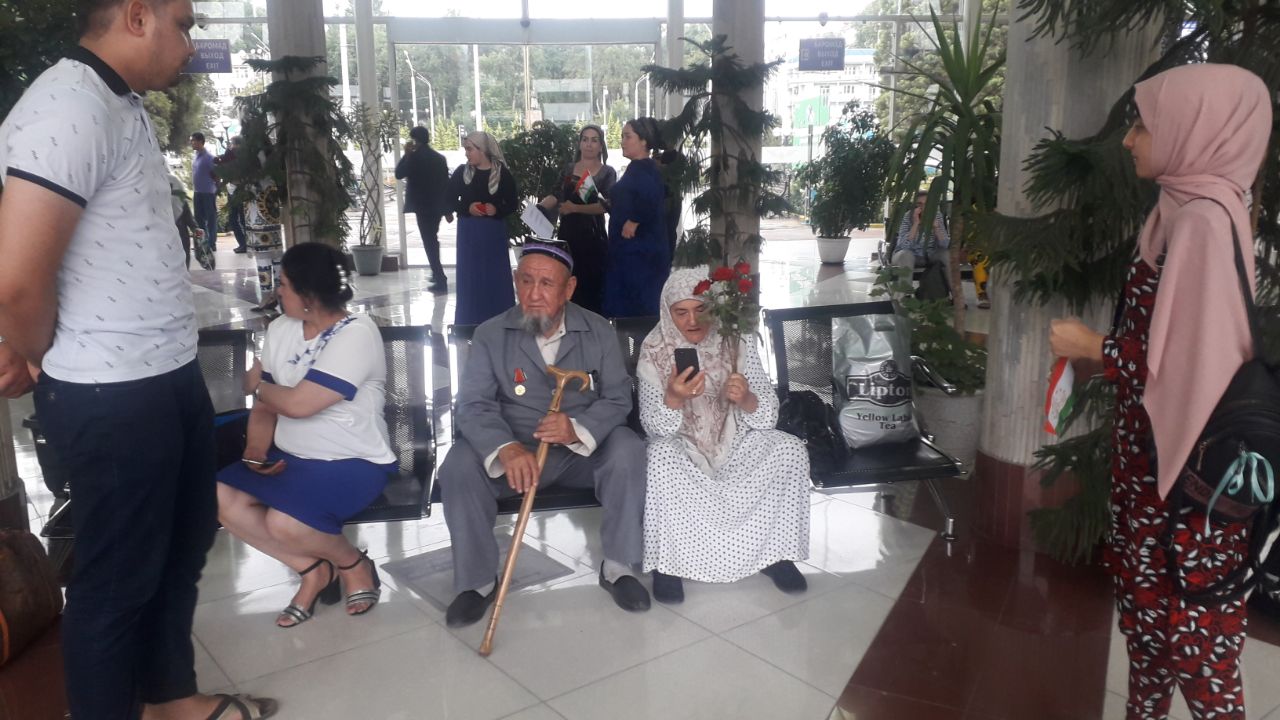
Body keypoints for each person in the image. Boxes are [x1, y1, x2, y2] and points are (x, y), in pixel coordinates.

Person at [0, 1, 277, 718]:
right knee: (117, 580)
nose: (189, 42)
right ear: (135, 15)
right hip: (110, 391)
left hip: (164, 372)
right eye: (183, 23)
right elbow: (18, 280)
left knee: (182, 547)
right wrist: (32, 352)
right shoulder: (66, 106)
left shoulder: (116, 101)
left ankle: (170, 698)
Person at [1049, 63, 1271, 720]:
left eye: (1144, 125)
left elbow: (1190, 371)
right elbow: (1170, 347)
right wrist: (1106, 356)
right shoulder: (1179, 210)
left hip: (1188, 488)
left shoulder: (1202, 223)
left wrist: (1094, 347)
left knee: (1197, 655)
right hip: (1153, 467)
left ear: (1194, 130)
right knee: (1148, 634)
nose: (1129, 139)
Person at [437, 240, 650, 627]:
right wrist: (505, 447)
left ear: (569, 288)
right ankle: (477, 582)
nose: (534, 294)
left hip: (579, 454)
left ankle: (619, 567)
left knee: (627, 449)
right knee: (458, 466)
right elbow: (473, 404)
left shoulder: (597, 330)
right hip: (515, 456)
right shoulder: (490, 334)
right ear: (515, 281)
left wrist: (577, 429)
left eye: (547, 284)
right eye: (525, 281)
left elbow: (618, 398)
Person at [217, 242, 393, 629]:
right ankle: (313, 571)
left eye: (283, 284)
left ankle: (352, 564)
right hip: (291, 459)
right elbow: (266, 408)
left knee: (286, 523)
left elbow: (298, 404)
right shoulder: (281, 329)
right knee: (219, 496)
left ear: (309, 294)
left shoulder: (357, 333)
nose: (277, 291)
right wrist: (255, 452)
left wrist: (256, 385)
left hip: (353, 461)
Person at [638, 268, 811, 603]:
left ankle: (776, 554)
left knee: (788, 449)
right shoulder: (654, 350)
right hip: (683, 449)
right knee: (659, 454)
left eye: (701, 309)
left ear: (714, 307)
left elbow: (767, 419)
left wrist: (746, 398)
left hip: (736, 443)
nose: (692, 321)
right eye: (681, 312)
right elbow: (653, 427)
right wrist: (673, 398)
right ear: (668, 313)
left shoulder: (736, 340)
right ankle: (667, 565)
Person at [537, 124, 616, 315]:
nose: (589, 144)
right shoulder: (568, 169)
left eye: (594, 140)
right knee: (568, 285)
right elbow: (556, 194)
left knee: (593, 288)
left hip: (594, 239)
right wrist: (539, 208)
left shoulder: (608, 172)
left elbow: (606, 206)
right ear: (579, 144)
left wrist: (575, 208)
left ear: (601, 146)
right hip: (568, 237)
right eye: (585, 139)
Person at [447, 131, 520, 325]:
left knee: (495, 277)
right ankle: (469, 322)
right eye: (466, 149)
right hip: (469, 234)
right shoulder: (462, 173)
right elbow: (449, 200)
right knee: (470, 278)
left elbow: (512, 203)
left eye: (470, 149)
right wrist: (467, 208)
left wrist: (496, 209)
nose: (466, 153)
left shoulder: (502, 173)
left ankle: (500, 322)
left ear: (482, 150)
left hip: (492, 233)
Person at [602, 117, 671, 318]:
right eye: (622, 136)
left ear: (643, 141)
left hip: (639, 255)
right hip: (629, 252)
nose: (622, 141)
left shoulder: (645, 168)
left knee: (636, 308)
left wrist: (634, 220)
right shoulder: (637, 168)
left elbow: (652, 196)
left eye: (628, 136)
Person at [395, 125, 453, 294]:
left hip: (422, 207)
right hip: (436, 207)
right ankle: (436, 273)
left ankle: (439, 277)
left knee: (429, 242)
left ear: (415, 140)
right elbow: (445, 184)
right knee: (432, 239)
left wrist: (407, 154)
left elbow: (399, 174)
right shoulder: (439, 158)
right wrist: (447, 210)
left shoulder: (413, 158)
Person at [892, 190, 950, 298]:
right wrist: (916, 224)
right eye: (919, 204)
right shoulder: (908, 216)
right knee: (906, 255)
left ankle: (956, 296)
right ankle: (905, 296)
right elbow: (903, 246)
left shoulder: (937, 215)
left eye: (926, 204)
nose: (923, 207)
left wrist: (936, 228)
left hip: (930, 254)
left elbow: (945, 245)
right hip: (908, 255)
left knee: (947, 254)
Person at [218, 135, 248, 253]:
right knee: (234, 219)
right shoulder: (230, 156)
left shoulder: (241, 157)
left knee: (241, 218)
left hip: (239, 189)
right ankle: (243, 243)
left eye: (233, 143)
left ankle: (245, 243)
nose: (231, 146)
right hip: (232, 189)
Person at [191, 130, 218, 257]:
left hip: (208, 192)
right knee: (198, 219)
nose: (192, 143)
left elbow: (217, 175)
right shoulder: (195, 156)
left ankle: (212, 243)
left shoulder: (209, 158)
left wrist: (216, 189)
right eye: (191, 141)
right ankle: (203, 242)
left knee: (211, 218)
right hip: (197, 192)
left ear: (201, 141)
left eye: (194, 141)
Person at [167, 170, 200, 269]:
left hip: (169, 235)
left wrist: (195, 228)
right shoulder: (174, 181)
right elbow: (186, 211)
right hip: (180, 233)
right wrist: (195, 228)